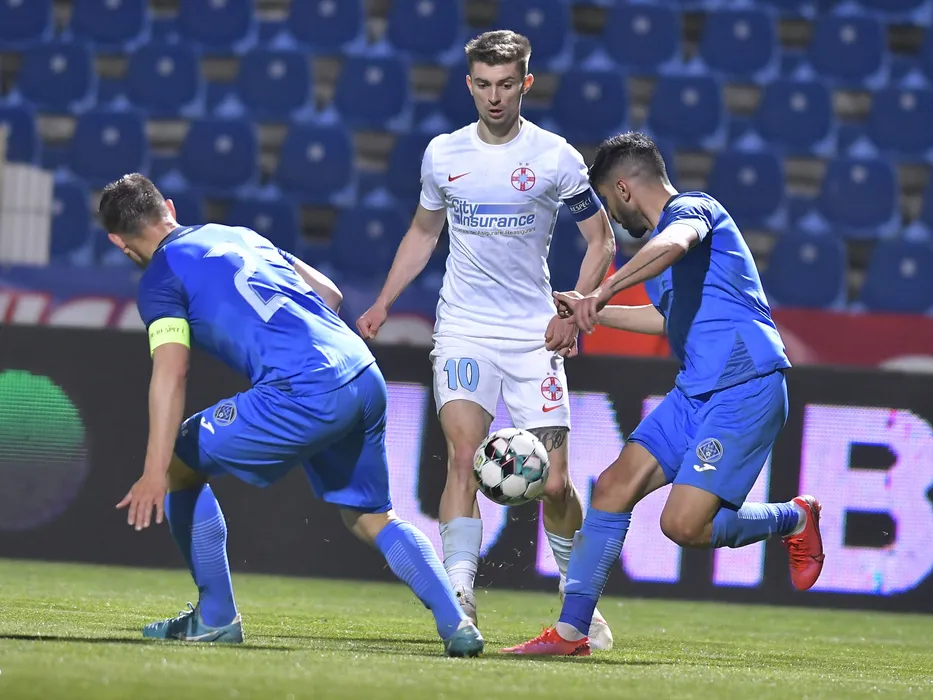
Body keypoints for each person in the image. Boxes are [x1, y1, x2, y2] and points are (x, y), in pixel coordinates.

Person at [100, 174, 484, 658]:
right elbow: (330, 294)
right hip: (361, 370)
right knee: (372, 516)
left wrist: (154, 470)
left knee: (179, 462)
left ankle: (216, 617)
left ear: (118, 242)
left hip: (302, 387)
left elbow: (172, 372)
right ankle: (457, 624)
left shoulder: (160, 279)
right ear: (170, 208)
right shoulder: (237, 234)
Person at [502, 132, 825, 656]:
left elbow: (675, 243)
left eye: (609, 203)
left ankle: (795, 516)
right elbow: (664, 319)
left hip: (746, 385)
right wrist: (587, 312)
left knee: (683, 526)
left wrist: (601, 290)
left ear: (624, 189)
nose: (612, 216)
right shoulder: (661, 258)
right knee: (612, 487)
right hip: (694, 392)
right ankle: (571, 634)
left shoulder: (696, 211)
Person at [356, 30, 617, 649]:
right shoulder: (443, 154)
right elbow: (424, 232)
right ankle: (460, 597)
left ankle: (575, 596)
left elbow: (602, 239)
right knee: (463, 459)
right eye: (483, 84)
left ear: (526, 83)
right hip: (464, 329)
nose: (494, 97)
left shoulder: (555, 157)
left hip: (533, 336)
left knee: (556, 483)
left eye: (506, 84)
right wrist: (385, 300)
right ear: (469, 84)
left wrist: (575, 310)